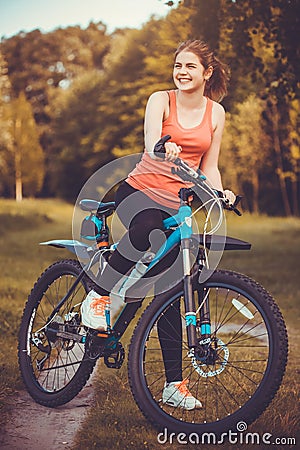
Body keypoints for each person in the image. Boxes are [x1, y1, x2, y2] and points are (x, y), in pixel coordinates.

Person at [81, 39, 235, 410]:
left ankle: (172, 384)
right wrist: (162, 146)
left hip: (178, 203)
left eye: (190, 67)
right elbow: (152, 140)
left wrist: (220, 192)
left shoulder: (216, 113)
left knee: (171, 291)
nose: (182, 72)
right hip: (138, 192)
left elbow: (209, 165)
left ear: (207, 72)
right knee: (146, 230)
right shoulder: (160, 100)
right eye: (178, 65)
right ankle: (97, 297)